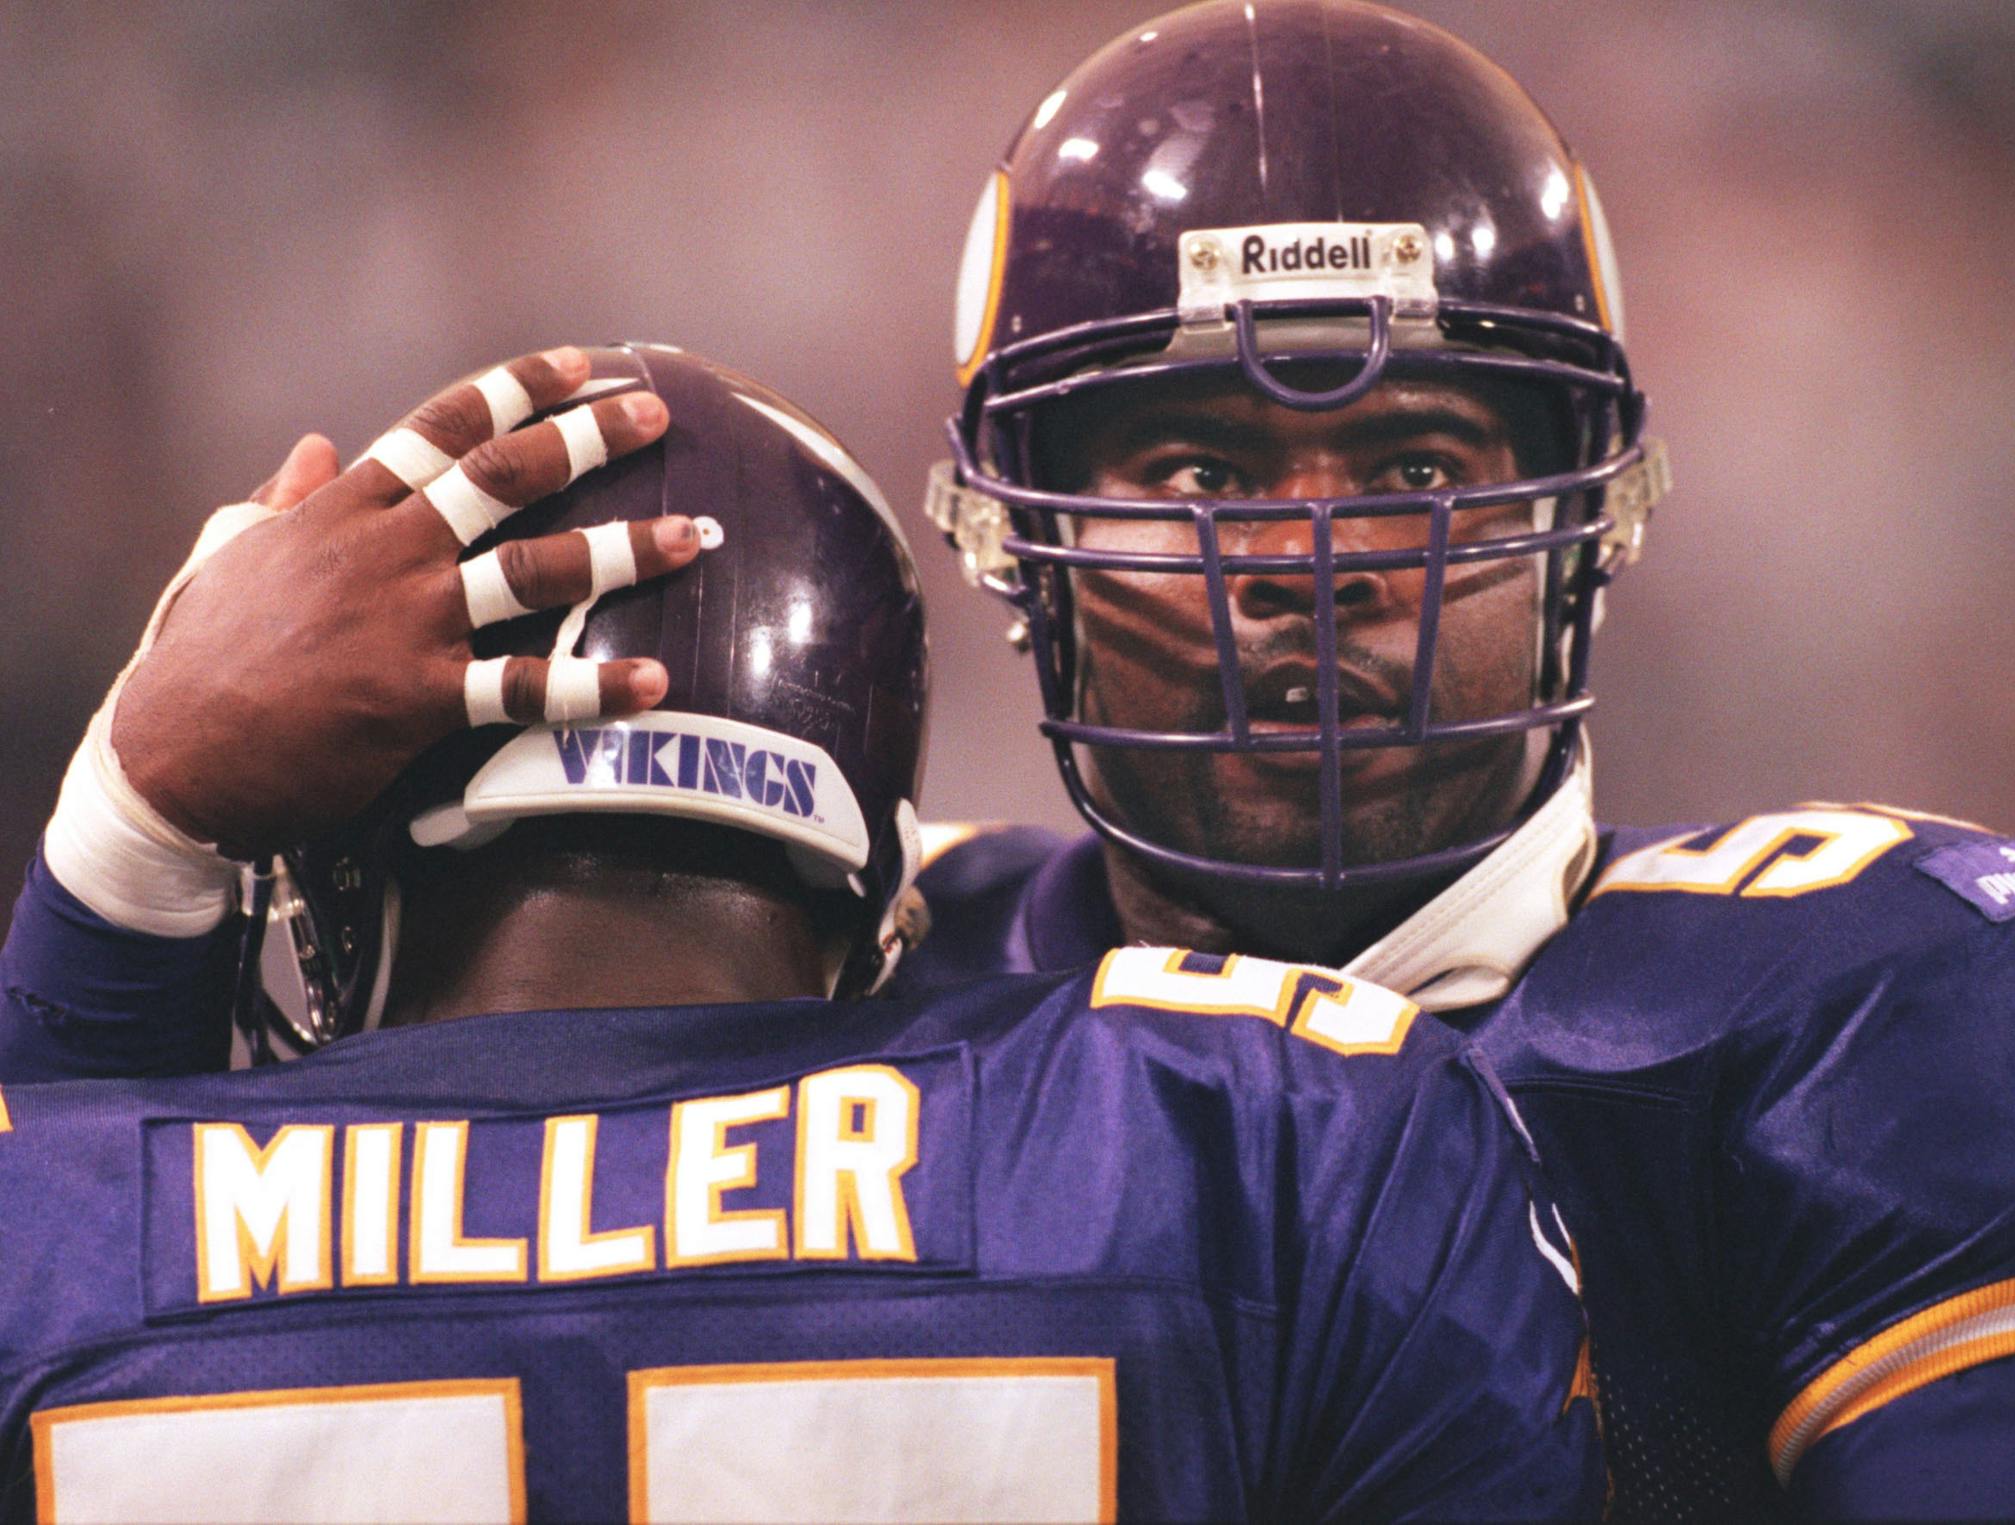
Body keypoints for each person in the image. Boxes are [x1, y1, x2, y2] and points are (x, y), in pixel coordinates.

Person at [907, 2, 2015, 1518]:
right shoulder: (872, 960)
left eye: (1418, 467)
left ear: (1594, 519)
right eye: (1202, 471)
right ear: (1016, 542)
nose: (1317, 560)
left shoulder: (1877, 997)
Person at [0, 344, 1600, 1520]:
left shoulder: (52, 1213)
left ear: (339, 867)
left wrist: (128, 831)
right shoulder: (1265, 1134)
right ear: (881, 884)